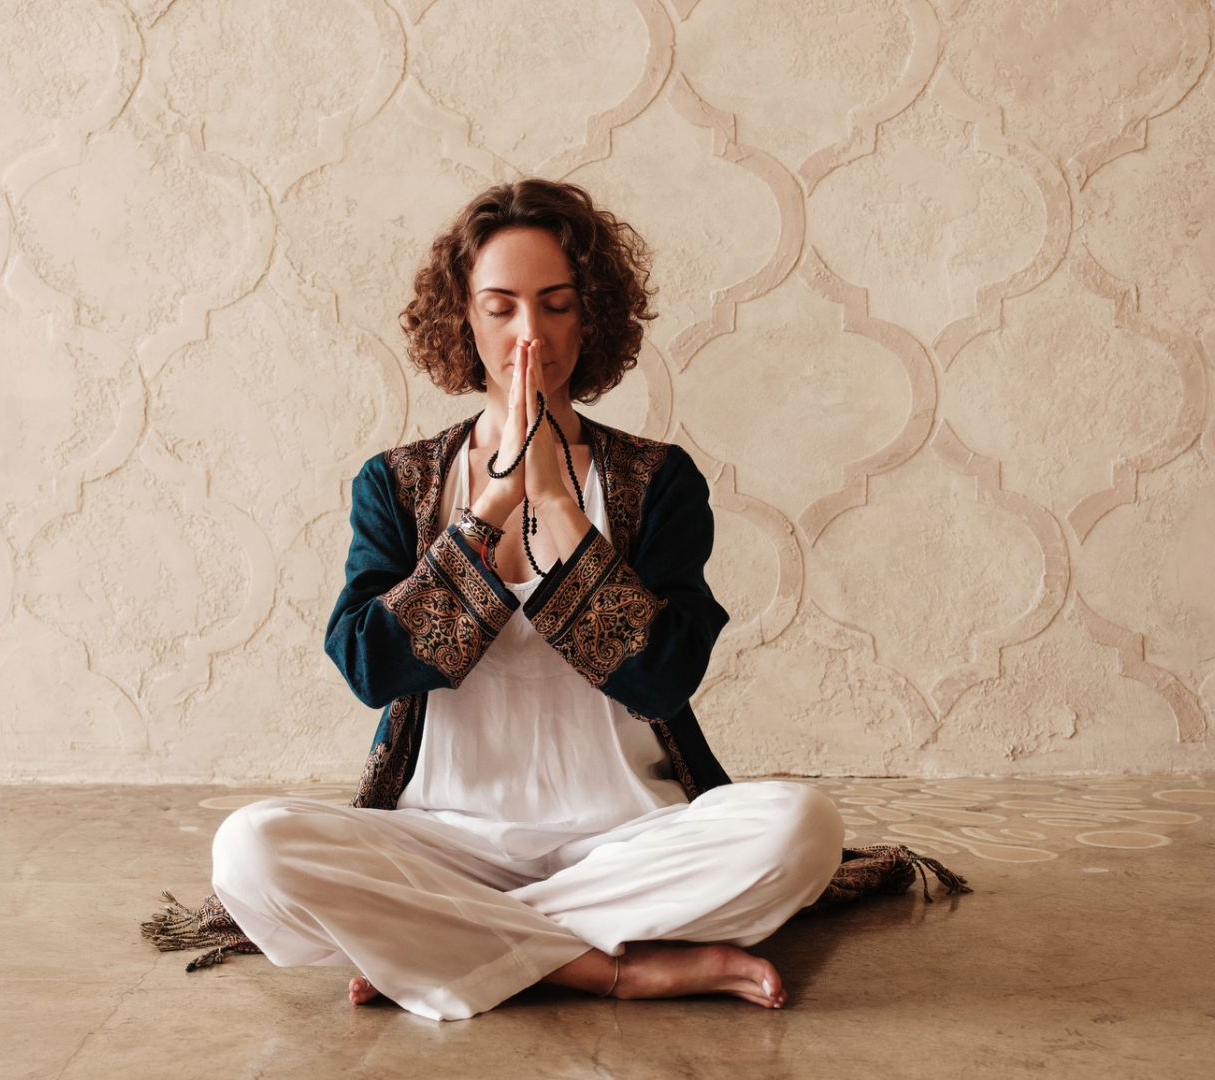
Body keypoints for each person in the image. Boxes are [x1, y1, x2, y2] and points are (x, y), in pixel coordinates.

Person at [209, 178, 847, 1023]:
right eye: (501, 307)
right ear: (464, 320)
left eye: (555, 306)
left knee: (801, 829)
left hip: (628, 838)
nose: (529, 338)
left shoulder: (659, 481)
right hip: (442, 843)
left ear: (591, 318)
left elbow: (664, 678)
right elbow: (370, 662)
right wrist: (492, 507)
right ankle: (607, 968)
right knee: (250, 851)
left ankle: (445, 949)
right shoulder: (395, 483)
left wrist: (559, 510)